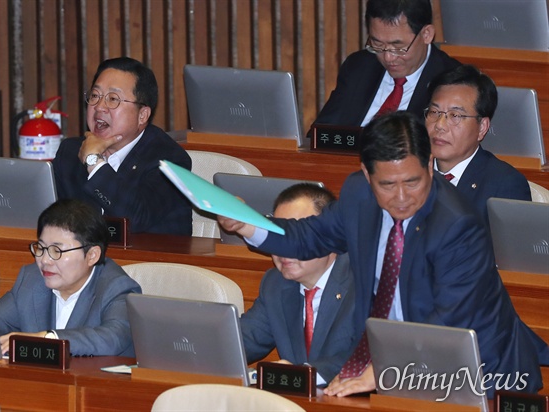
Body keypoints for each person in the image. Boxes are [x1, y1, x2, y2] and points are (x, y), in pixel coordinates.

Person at [220, 111, 546, 398]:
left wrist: (383, 370)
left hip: (478, 374)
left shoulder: (458, 226)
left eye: (413, 181)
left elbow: (447, 324)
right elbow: (310, 237)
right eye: (387, 184)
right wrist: (248, 224)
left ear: (430, 165)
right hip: (400, 366)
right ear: (366, 175)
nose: (402, 197)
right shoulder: (358, 194)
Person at [52, 57, 192, 235]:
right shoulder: (70, 153)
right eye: (95, 96)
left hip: (149, 261)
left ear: (142, 115)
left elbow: (136, 219)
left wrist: (94, 162)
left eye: (113, 99)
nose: (99, 107)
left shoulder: (171, 161)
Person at [240, 184, 357, 385]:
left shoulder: (362, 281)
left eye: (294, 236)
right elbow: (243, 341)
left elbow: (366, 355)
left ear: (328, 235)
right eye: (276, 235)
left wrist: (302, 376)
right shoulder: (275, 284)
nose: (282, 248)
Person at [0, 199, 141, 357]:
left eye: (56, 251)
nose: (44, 260)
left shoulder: (117, 288)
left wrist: (49, 338)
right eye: (41, 248)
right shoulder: (31, 279)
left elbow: (112, 338)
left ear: (92, 255)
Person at [312, 0, 460, 130]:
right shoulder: (359, 67)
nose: (388, 58)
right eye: (377, 44)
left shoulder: (454, 82)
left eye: (398, 47)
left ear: (426, 34)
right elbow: (322, 133)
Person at [425, 64, 531, 225]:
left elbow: (508, 249)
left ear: (482, 128)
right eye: (434, 112)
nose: (440, 125)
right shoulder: (409, 170)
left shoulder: (504, 185)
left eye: (455, 115)